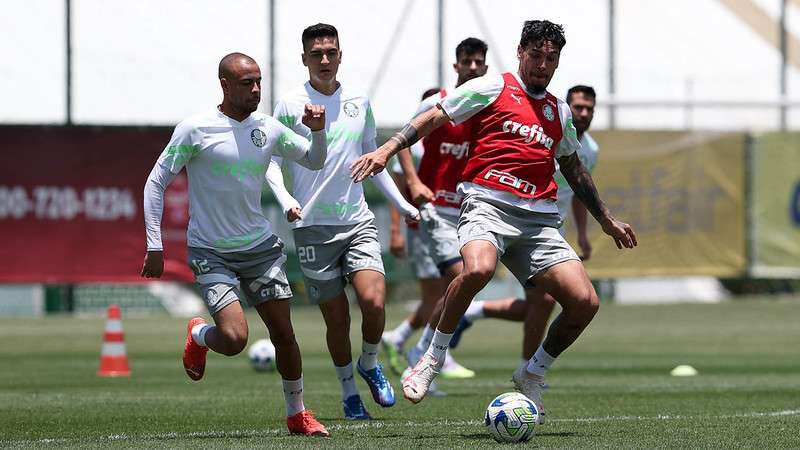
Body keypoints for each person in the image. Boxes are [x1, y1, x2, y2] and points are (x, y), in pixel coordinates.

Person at [350, 20, 637, 423]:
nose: (541, 65)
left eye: (550, 59)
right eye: (535, 55)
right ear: (520, 52)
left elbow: (572, 166)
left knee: (585, 303)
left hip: (538, 222)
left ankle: (532, 371)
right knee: (478, 269)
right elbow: (435, 116)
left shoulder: (558, 111)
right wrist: (388, 148)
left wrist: (605, 218)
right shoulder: (492, 87)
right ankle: (432, 357)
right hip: (487, 204)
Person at [141, 52, 330, 437]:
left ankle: (298, 414)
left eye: (259, 81)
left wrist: (319, 131)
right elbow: (155, 182)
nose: (256, 89)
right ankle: (198, 335)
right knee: (234, 340)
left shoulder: (268, 128)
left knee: (284, 334)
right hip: (211, 251)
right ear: (225, 85)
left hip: (260, 249)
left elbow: (313, 160)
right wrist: (155, 244)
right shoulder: (195, 129)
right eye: (247, 83)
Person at [265, 24, 419, 421]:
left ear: (340, 55)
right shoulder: (287, 104)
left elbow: (374, 160)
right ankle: (349, 393)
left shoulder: (358, 100)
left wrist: (401, 204)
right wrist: (286, 201)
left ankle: (370, 363)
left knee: (374, 300)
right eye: (316, 53)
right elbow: (272, 167)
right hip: (312, 228)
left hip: (357, 222)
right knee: (337, 319)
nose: (324, 59)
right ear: (304, 59)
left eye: (331, 51)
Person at [450, 84, 602, 368]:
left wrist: (582, 234)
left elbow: (581, 190)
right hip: (512, 221)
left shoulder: (590, 150)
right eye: (578, 107)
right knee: (540, 301)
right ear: (566, 109)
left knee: (544, 303)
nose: (583, 113)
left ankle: (475, 315)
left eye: (589, 108)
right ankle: (526, 370)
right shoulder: (545, 135)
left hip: (548, 231)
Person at [382, 86, 477, 382]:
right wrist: (397, 228)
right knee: (455, 283)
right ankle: (429, 352)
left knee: (445, 292)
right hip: (426, 222)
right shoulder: (419, 145)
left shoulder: (468, 127)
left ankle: (405, 340)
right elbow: (400, 186)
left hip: (454, 219)